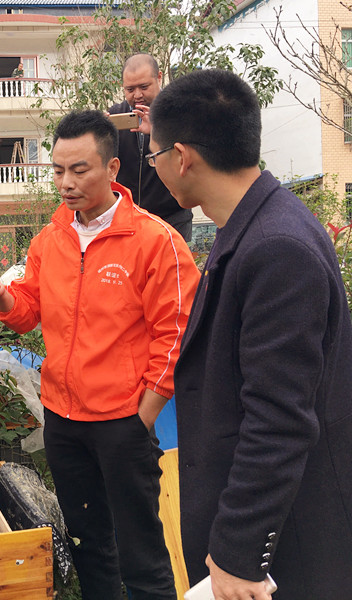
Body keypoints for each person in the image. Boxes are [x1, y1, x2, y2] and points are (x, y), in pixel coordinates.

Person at [0, 109, 200, 600]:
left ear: (113, 169)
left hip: (124, 422)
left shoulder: (156, 241)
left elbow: (176, 335)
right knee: (89, 546)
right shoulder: (49, 240)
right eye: (58, 170)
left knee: (141, 553)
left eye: (80, 170)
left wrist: (144, 415)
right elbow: (28, 310)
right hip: (63, 420)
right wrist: (0, 294)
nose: (66, 182)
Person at [149, 69, 352, 600]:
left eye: (154, 155)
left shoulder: (277, 247)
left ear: (182, 156)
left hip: (288, 548)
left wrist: (241, 553)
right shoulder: (247, 227)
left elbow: (279, 418)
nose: (155, 167)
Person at [108, 53, 193, 241]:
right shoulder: (116, 114)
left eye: (144, 87)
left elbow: (191, 157)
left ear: (159, 77)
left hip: (173, 217)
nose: (137, 95)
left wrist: (157, 130)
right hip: (129, 219)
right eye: (130, 89)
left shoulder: (179, 111)